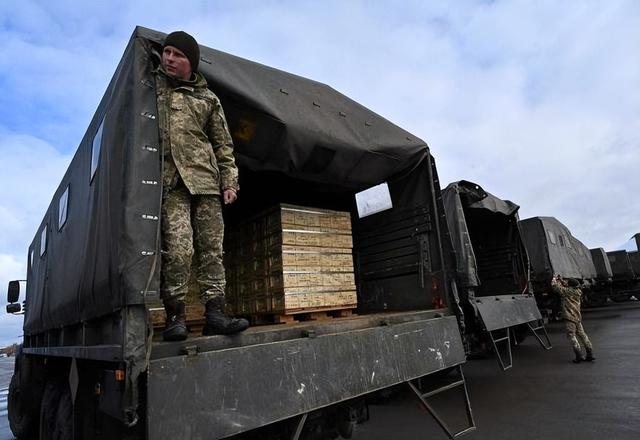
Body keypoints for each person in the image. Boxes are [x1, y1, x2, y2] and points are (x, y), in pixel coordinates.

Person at [155, 30, 249, 341]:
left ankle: (215, 315)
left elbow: (223, 144)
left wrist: (229, 181)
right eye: (166, 52)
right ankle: (175, 317)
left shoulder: (208, 99)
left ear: (190, 63)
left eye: (177, 55)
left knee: (212, 251)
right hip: (172, 184)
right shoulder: (154, 90)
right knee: (180, 251)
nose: (169, 58)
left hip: (206, 183)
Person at [551, 275, 595, 363]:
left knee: (572, 335)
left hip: (569, 317)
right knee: (582, 335)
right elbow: (567, 286)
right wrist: (561, 280)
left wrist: (554, 279)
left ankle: (578, 355)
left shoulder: (567, 291)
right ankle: (590, 353)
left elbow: (555, 287)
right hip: (577, 317)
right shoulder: (578, 291)